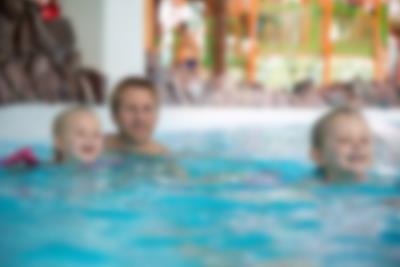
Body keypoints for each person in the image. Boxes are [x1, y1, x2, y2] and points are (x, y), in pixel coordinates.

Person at [106, 77, 168, 156]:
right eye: (131, 108)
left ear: (157, 115)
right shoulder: (98, 146)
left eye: (147, 109)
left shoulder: (162, 156)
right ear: (114, 115)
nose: (140, 118)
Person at [310, 107, 373, 183]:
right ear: (318, 156)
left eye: (364, 141)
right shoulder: (308, 189)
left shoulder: (380, 184)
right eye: (345, 140)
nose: (357, 146)